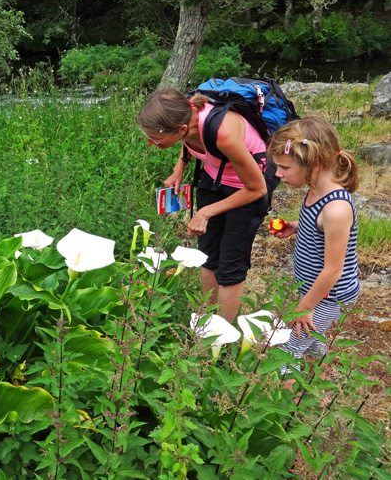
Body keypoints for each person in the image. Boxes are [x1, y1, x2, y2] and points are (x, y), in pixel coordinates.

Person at [137, 88, 270, 322]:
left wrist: (206, 212)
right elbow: (188, 140)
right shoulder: (185, 115)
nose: (149, 143)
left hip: (246, 187)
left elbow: (257, 189)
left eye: (155, 139)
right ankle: (206, 318)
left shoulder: (224, 134)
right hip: (214, 177)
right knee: (208, 253)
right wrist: (180, 168)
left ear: (181, 129)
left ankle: (222, 333)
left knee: (230, 264)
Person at [267, 117, 359, 391]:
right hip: (313, 290)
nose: (278, 174)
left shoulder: (336, 209)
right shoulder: (315, 191)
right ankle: (318, 388)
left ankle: (288, 412)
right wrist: (296, 227)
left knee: (283, 352)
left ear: (314, 165)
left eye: (284, 167)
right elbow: (320, 233)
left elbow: (333, 270)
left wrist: (304, 306)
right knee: (311, 342)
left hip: (330, 297)